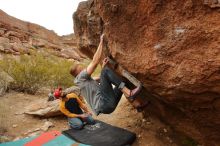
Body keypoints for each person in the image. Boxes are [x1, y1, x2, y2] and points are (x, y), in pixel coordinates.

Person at [70, 34, 142, 116]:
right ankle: (128, 93)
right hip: (104, 104)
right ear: (79, 73)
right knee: (106, 71)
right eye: (82, 69)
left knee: (122, 81)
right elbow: (95, 62)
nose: (84, 69)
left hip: (109, 104)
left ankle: (137, 104)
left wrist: (104, 67)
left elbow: (102, 78)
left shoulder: (84, 82)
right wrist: (101, 42)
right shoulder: (80, 78)